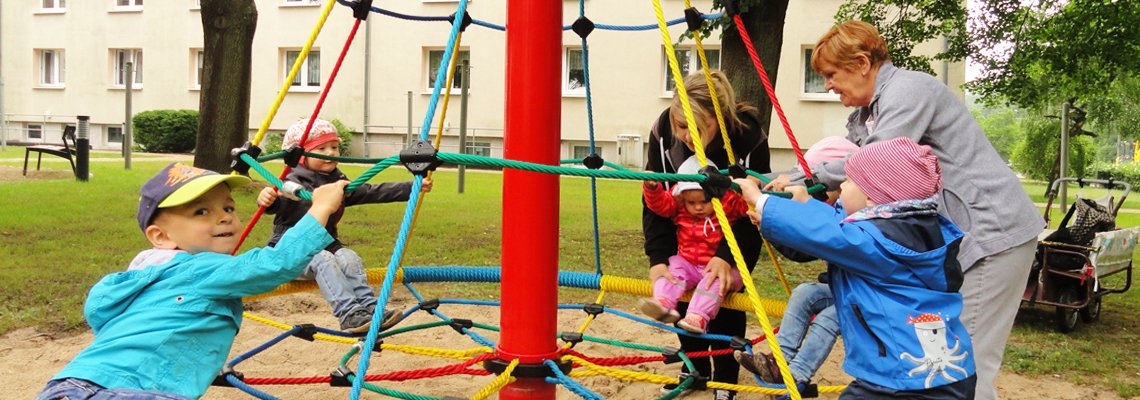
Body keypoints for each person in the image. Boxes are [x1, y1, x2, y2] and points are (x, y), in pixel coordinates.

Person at [766, 21, 1041, 399]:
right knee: (937, 362)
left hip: (991, 233)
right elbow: (840, 162)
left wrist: (804, 183)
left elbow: (872, 159)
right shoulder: (868, 114)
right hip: (957, 238)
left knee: (958, 365)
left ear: (862, 63)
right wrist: (780, 179)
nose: (827, 85)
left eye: (831, 74)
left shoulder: (909, 89)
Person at [35, 162, 346, 400]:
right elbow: (274, 265)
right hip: (132, 390)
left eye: (228, 207)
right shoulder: (199, 269)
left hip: (68, 385)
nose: (224, 217)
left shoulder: (140, 278)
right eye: (201, 211)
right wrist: (320, 207)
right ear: (162, 236)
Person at [739, 137, 977, 399]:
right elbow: (840, 225)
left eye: (850, 181)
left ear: (872, 196)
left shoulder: (876, 240)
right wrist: (806, 204)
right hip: (935, 375)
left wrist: (762, 202)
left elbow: (830, 234)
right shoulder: (904, 229)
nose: (841, 185)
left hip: (907, 381)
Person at [643, 70, 770, 400]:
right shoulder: (663, 132)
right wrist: (658, 260)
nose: (686, 135)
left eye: (696, 128)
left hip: (733, 237)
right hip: (686, 237)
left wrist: (726, 258)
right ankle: (694, 369)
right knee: (682, 300)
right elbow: (657, 204)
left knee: (723, 301)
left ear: (720, 120)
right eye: (680, 126)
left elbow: (752, 211)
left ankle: (725, 381)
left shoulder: (746, 137)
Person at [258, 118, 433, 333]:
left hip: (326, 245)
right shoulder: (291, 183)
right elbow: (275, 201)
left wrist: (411, 187)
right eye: (321, 148)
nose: (331, 152)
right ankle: (348, 313)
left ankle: (370, 307)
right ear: (303, 157)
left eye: (334, 146)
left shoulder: (338, 182)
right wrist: (268, 199)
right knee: (324, 259)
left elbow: (371, 191)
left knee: (349, 257)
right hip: (289, 251)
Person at [734, 136, 859, 387]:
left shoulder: (866, 218)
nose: (842, 191)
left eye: (825, 190)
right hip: (848, 289)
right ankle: (778, 360)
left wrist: (769, 206)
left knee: (829, 317)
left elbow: (823, 237)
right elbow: (805, 245)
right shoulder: (840, 210)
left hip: (872, 296)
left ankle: (797, 374)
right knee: (804, 293)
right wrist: (769, 223)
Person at [639, 156, 749, 335]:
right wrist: (652, 188)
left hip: (721, 269)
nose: (698, 207)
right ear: (683, 198)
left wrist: (738, 186)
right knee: (673, 264)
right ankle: (663, 301)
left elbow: (747, 207)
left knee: (714, 281)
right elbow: (661, 205)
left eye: (704, 201)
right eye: (692, 202)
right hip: (689, 264)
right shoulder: (680, 205)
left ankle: (698, 317)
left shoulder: (726, 204)